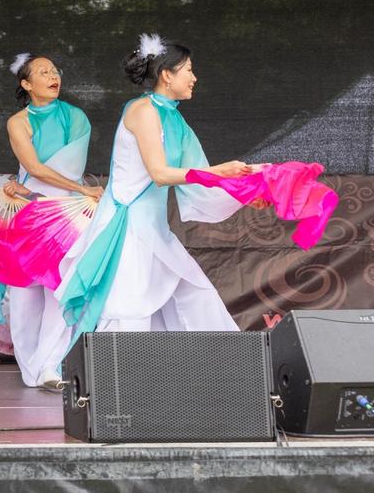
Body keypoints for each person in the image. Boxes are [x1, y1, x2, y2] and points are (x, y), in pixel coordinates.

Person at [43, 34, 258, 374]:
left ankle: (232, 372)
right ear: (166, 74)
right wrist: (220, 172)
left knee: (195, 293)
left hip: (153, 228)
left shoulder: (174, 119)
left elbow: (199, 174)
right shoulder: (142, 111)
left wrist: (248, 187)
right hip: (127, 229)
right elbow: (160, 173)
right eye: (189, 69)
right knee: (130, 308)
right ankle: (108, 385)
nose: (194, 77)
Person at [0, 53, 102, 389]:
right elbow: (36, 168)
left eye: (55, 71)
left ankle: (50, 366)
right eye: (43, 72)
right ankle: (30, 365)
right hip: (30, 212)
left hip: (67, 215)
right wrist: (82, 189)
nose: (53, 76)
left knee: (61, 291)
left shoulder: (76, 117)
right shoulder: (18, 122)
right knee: (24, 294)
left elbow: (67, 166)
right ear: (26, 84)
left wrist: (76, 193)